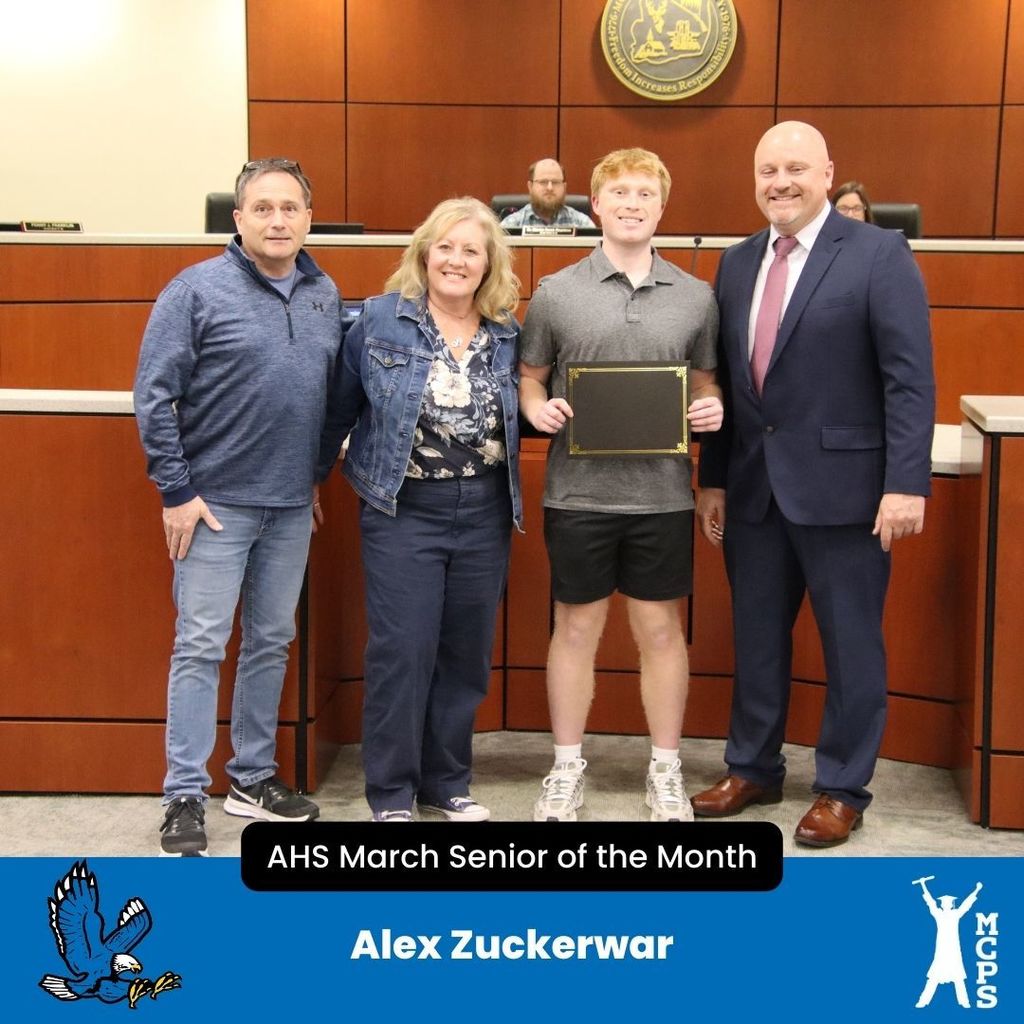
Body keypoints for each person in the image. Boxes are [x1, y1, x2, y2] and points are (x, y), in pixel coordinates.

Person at [692, 122, 935, 847]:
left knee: (851, 643)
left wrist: (906, 482)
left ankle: (841, 786)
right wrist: (713, 480)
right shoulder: (736, 263)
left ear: (828, 172)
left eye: (796, 167)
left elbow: (909, 380)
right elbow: (731, 385)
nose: (780, 182)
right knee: (757, 638)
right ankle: (754, 768)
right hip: (755, 490)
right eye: (768, 169)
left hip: (851, 493)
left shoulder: (878, 253)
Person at [134, 157, 342, 855]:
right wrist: (177, 491)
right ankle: (184, 795)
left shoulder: (322, 291)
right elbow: (154, 397)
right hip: (213, 506)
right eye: (263, 208)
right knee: (199, 646)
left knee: (271, 642)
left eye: (290, 208)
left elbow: (323, 400)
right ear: (239, 218)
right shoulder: (195, 290)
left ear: (308, 218)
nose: (278, 220)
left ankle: (252, 779)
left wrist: (312, 478)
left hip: (289, 507)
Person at [518, 147, 723, 823]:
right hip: (577, 495)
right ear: (595, 206)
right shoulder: (554, 291)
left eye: (645, 193)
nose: (632, 204)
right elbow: (530, 375)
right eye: (619, 194)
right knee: (575, 629)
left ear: (662, 207)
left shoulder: (697, 297)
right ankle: (566, 766)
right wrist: (535, 408)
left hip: (663, 496)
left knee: (661, 631)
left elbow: (704, 383)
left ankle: (665, 771)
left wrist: (711, 407)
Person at [325, 197, 522, 822]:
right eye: (446, 247)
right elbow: (338, 410)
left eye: (471, 250)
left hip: (486, 508)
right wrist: (308, 480)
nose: (457, 260)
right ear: (424, 253)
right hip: (403, 507)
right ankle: (390, 792)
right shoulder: (380, 320)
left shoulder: (508, 331)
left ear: (489, 263)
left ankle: (446, 782)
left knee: (464, 653)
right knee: (403, 650)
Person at [915, 880, 983, 1008]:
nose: (947, 904)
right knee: (934, 978)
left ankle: (965, 1002)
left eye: (949, 902)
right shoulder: (938, 914)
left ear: (952, 904)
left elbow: (966, 904)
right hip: (941, 951)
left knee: (958, 978)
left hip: (954, 951)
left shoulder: (955, 914)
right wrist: (923, 885)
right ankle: (923, 1001)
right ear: (941, 904)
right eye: (944, 902)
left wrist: (976, 890)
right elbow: (930, 902)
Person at [500, 158, 596, 229]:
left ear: (564, 187)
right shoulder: (510, 225)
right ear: (530, 186)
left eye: (555, 182)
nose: (550, 188)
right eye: (543, 182)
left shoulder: (583, 224)